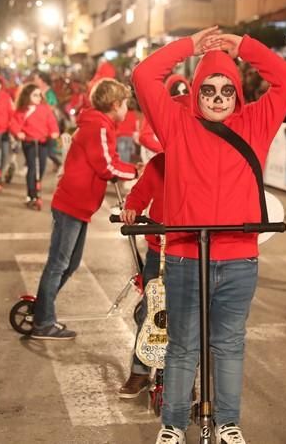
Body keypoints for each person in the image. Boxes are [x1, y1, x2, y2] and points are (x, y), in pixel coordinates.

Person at [132, 26, 286, 444]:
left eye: (227, 89)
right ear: (196, 92)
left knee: (228, 345)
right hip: (189, 254)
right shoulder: (176, 122)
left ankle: (228, 422)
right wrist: (190, 47)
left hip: (240, 258)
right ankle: (172, 423)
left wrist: (243, 47)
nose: (219, 97)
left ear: (238, 93)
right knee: (183, 345)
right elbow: (143, 75)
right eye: (209, 89)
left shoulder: (256, 123)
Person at [31, 79, 137, 340]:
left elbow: (106, 162)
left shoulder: (101, 124)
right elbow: (106, 167)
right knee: (59, 263)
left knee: (69, 263)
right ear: (115, 104)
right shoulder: (99, 125)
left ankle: (42, 309)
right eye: (125, 104)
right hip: (72, 203)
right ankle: (42, 321)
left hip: (79, 205)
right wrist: (135, 171)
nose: (128, 110)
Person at [118, 152, 165, 397]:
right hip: (160, 249)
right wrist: (132, 208)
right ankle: (140, 370)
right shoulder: (159, 162)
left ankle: (182, 378)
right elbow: (139, 192)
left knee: (189, 316)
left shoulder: (204, 158)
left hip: (194, 249)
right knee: (151, 311)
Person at [9, 83, 59, 209]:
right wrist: (18, 133)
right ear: (27, 96)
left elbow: (51, 122)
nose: (38, 98)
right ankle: (31, 194)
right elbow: (14, 123)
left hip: (43, 141)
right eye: (35, 95)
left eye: (39, 95)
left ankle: (36, 190)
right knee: (32, 167)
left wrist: (54, 132)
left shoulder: (45, 109)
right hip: (29, 142)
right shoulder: (22, 110)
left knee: (41, 167)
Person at [138, 74, 190, 157]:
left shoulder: (190, 113)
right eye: (177, 92)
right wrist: (167, 151)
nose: (181, 95)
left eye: (184, 91)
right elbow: (144, 137)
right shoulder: (158, 109)